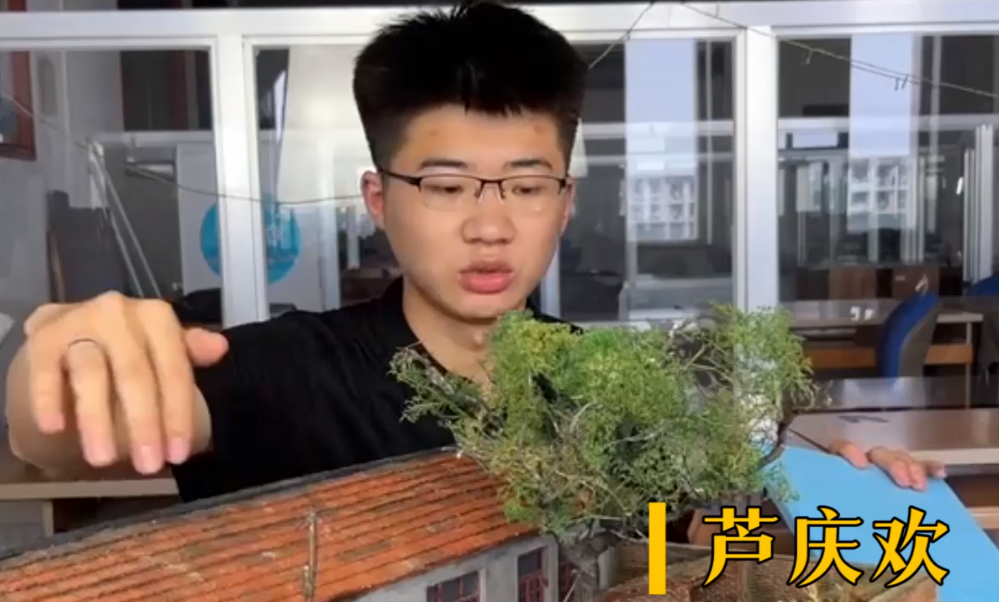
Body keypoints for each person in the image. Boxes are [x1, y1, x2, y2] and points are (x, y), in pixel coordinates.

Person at [4, 1, 942, 524]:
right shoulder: (281, 371)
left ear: (563, 202)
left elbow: (690, 538)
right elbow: (57, 441)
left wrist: (832, 489)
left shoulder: (614, 384)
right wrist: (59, 364)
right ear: (380, 200)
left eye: (526, 185)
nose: (490, 226)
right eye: (446, 185)